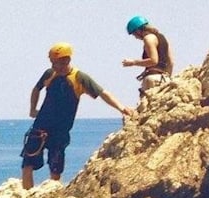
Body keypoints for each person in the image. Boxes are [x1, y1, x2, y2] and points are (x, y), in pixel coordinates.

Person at [21, 43, 132, 190]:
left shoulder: (79, 78)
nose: (54, 66)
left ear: (66, 60)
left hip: (60, 131)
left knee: (56, 169)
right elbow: (36, 89)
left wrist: (121, 107)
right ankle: (27, 197)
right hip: (41, 126)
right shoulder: (49, 74)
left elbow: (103, 93)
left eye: (57, 63)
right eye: (52, 63)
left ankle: (51, 195)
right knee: (27, 163)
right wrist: (32, 109)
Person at [122, 16, 172, 98]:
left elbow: (153, 61)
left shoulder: (148, 38)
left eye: (134, 34)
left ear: (138, 30)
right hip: (164, 79)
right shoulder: (163, 38)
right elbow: (171, 62)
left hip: (152, 79)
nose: (136, 37)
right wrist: (167, 78)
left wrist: (133, 62)